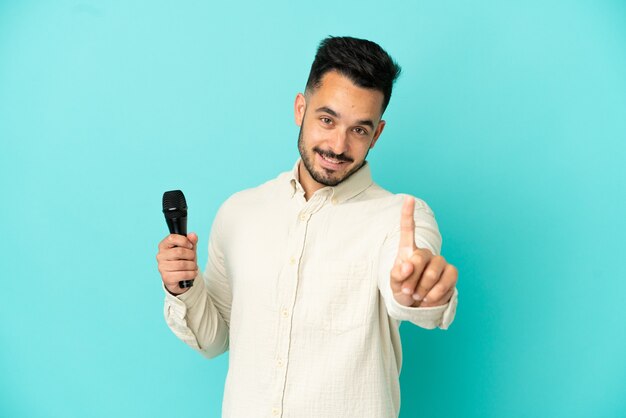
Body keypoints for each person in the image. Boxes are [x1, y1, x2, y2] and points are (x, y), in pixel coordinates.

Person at [156, 36, 459, 418]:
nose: (337, 145)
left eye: (359, 130)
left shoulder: (401, 219)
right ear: (301, 108)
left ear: (377, 133)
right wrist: (182, 286)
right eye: (327, 119)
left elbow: (412, 283)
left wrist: (420, 293)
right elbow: (213, 339)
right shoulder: (239, 212)